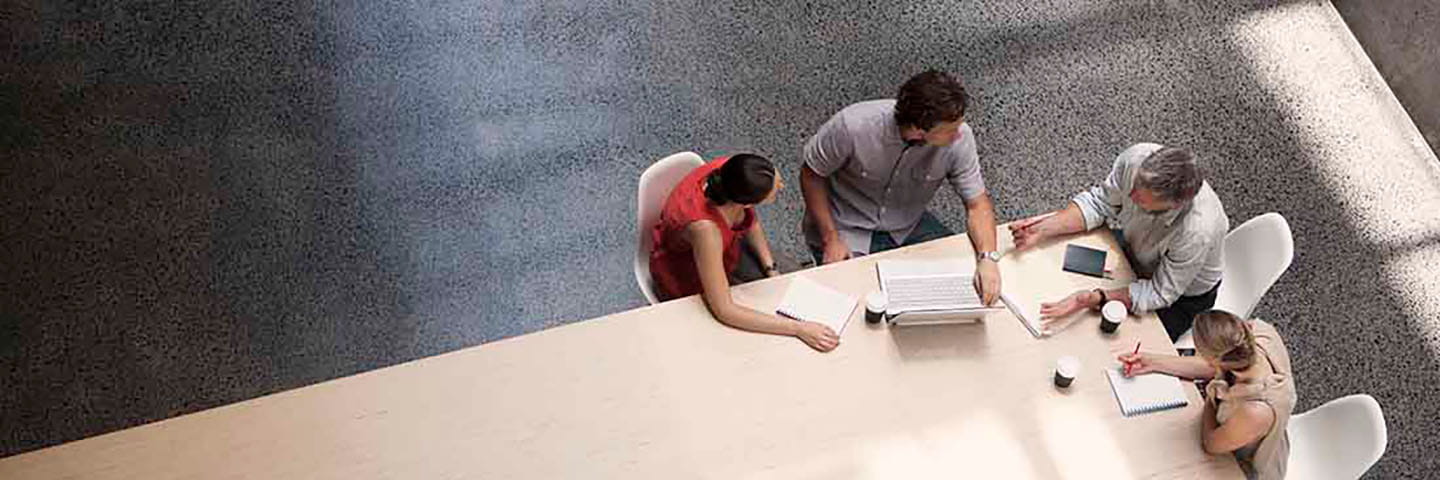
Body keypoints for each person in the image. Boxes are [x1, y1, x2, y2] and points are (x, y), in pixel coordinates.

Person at [800, 70, 1002, 304]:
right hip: (846, 224)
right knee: (849, 303)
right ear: (918, 130)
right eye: (949, 131)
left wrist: (988, 258)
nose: (958, 136)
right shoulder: (851, 126)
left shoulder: (961, 137)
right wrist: (830, 238)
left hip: (908, 224)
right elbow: (812, 174)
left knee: (964, 282)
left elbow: (978, 204)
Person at [1009, 143, 1228, 340]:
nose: (1130, 197)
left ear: (1174, 204)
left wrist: (1096, 298)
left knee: (1109, 347)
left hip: (1180, 297)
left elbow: (1160, 292)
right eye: (1134, 186)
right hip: (1136, 252)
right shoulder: (1136, 159)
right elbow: (1100, 203)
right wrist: (1043, 229)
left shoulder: (1197, 231)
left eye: (1141, 200)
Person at [649, 153, 838, 352]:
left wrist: (770, 269)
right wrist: (798, 328)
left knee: (786, 281)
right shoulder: (706, 230)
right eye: (775, 190)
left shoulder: (735, 172)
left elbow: (749, 219)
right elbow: (724, 310)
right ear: (746, 202)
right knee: (753, 341)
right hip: (688, 270)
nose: (781, 187)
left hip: (726, 246)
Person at [1119, 310, 1296, 480]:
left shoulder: (1256, 410)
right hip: (1234, 428)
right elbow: (1211, 369)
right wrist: (1151, 362)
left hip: (1242, 463)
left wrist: (1212, 395)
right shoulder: (1256, 335)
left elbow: (1211, 443)